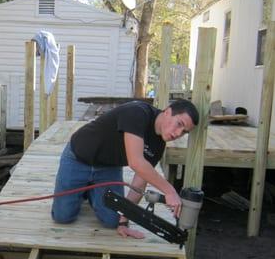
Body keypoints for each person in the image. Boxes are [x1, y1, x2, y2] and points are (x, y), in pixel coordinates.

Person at [51, 99, 199, 239]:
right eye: (179, 124)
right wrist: (170, 191)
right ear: (168, 111)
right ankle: (86, 190)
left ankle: (92, 191)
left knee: (112, 221)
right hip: (78, 158)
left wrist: (123, 220)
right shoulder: (137, 113)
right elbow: (136, 162)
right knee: (62, 217)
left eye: (185, 131)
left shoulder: (158, 146)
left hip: (108, 167)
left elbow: (139, 182)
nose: (179, 133)